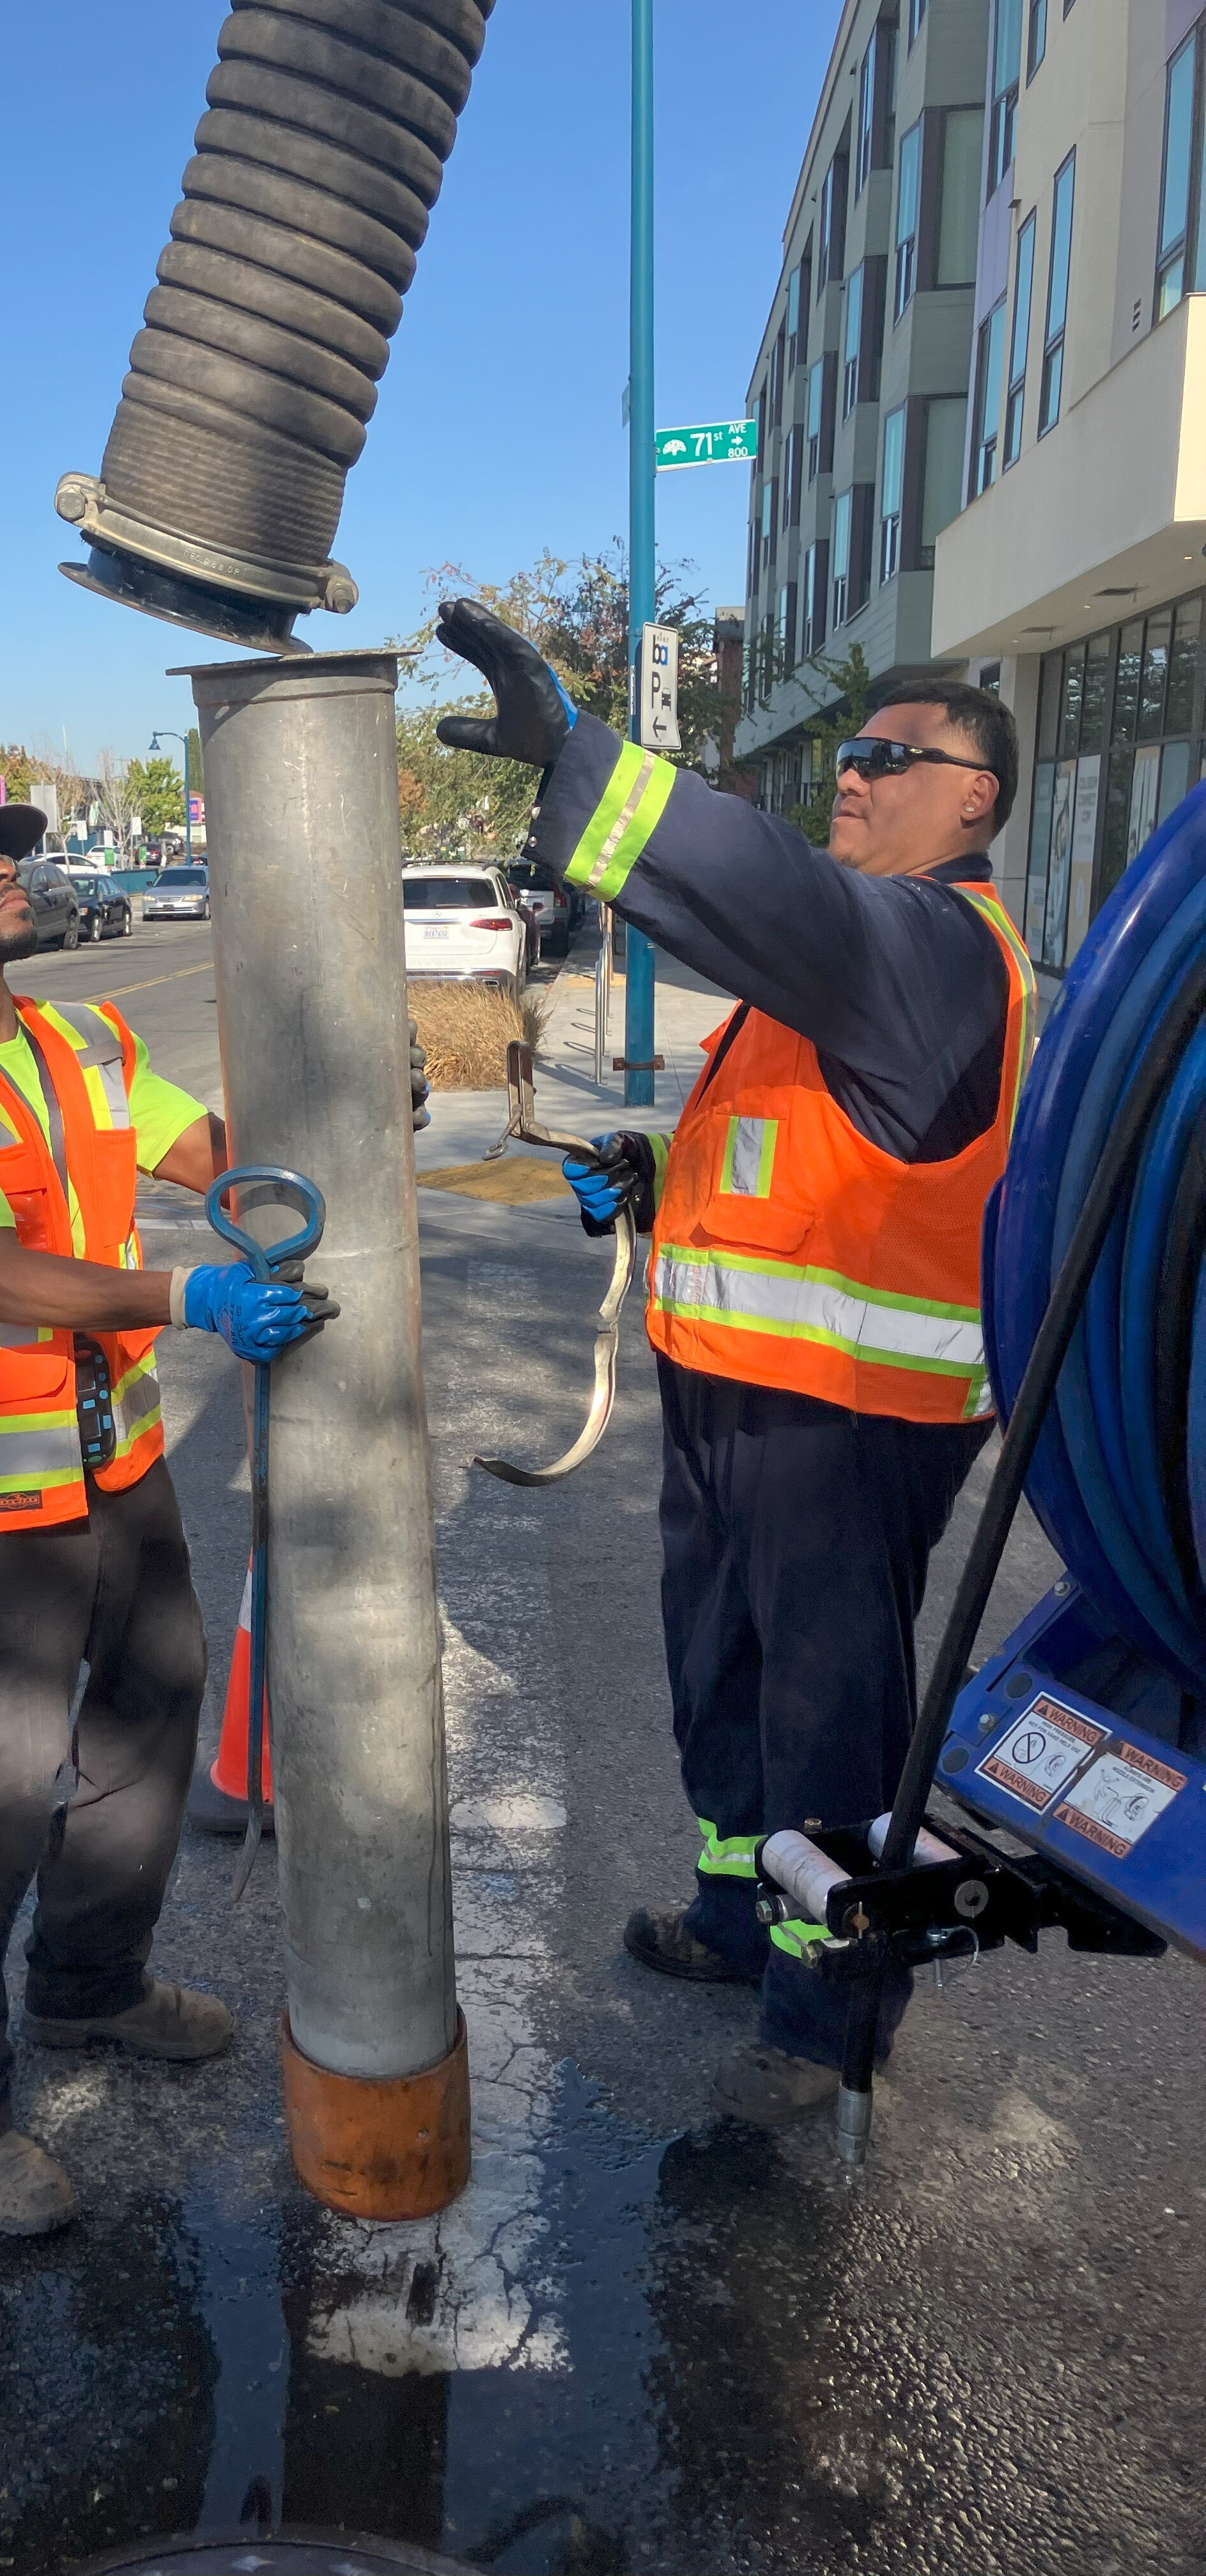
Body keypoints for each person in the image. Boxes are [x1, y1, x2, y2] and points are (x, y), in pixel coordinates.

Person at [435, 601, 1035, 2127]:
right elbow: (808, 1156)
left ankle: (826, 2013)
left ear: (977, 798)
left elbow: (759, 889)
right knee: (724, 1676)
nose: (853, 778)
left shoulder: (935, 945)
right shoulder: (846, 972)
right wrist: (652, 1170)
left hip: (849, 1419)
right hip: (736, 1397)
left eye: (893, 759)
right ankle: (731, 1913)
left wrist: (585, 759)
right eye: (848, 753)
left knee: (827, 1720)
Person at [0, 790, 336, 2234]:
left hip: (121, 1469)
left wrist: (350, 1111)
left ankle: (93, 1991)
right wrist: (195, 1295)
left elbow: (207, 1158)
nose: (7, 871)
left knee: (140, 1751)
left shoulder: (84, 1043)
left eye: (8, 850)